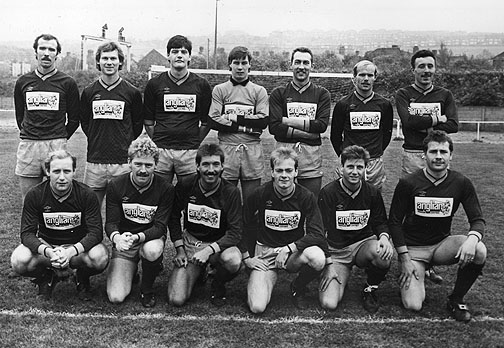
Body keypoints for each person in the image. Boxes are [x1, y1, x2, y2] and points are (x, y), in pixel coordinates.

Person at [388, 130, 487, 322]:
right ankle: (421, 269)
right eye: (433, 152)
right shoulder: (408, 183)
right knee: (413, 305)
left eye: (443, 152)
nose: (439, 157)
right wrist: (404, 258)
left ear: (451, 155)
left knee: (479, 250)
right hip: (414, 249)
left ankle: (456, 299)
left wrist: (472, 240)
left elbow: (477, 219)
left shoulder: (461, 182)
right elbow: (394, 222)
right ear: (424, 155)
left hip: (442, 245)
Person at [396, 49, 459, 284]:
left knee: (436, 206)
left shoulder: (445, 94)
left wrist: (427, 124)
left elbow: (453, 125)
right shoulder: (404, 93)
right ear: (413, 70)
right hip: (412, 154)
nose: (426, 71)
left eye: (430, 66)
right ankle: (410, 257)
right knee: (412, 207)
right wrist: (437, 119)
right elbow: (408, 122)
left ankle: (430, 263)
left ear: (435, 69)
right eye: (421, 66)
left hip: (437, 154)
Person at [10, 150, 108, 300]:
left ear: (74, 171)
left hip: (77, 248)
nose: (62, 177)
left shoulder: (86, 194)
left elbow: (96, 233)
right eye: (56, 171)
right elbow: (27, 233)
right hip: (48, 247)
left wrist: (71, 252)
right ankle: (46, 276)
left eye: (67, 171)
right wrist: (48, 252)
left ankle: (81, 276)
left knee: (99, 257)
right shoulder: (35, 194)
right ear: (48, 171)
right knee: (19, 260)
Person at [242, 147, 327, 314]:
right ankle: (260, 277)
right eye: (279, 170)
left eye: (289, 170)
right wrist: (247, 258)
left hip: (292, 254)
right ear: (272, 172)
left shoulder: (306, 196)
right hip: (265, 252)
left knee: (317, 258)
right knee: (257, 307)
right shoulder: (260, 194)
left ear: (296, 172)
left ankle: (298, 286)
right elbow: (241, 224)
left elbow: (317, 233)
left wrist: (289, 248)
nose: (284, 175)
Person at [207, 45, 269, 254]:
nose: (240, 67)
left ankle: (249, 248)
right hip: (227, 148)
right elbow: (214, 119)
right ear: (229, 65)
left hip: (252, 150)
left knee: (252, 204)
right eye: (236, 63)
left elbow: (262, 122)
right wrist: (244, 126)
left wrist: (233, 118)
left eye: (244, 63)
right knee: (224, 202)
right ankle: (222, 249)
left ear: (250, 65)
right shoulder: (220, 90)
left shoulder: (258, 91)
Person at [318, 145, 393, 313]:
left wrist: (384, 237)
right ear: (341, 168)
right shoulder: (328, 193)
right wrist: (328, 263)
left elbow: (380, 221)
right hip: (337, 251)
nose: (354, 171)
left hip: (363, 246)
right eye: (350, 166)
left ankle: (370, 287)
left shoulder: (372, 192)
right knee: (329, 303)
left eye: (359, 167)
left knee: (383, 253)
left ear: (365, 169)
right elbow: (319, 231)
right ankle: (339, 274)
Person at [167, 144, 242, 307]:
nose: (211, 170)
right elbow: (173, 216)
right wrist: (180, 250)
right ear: (197, 166)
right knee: (176, 298)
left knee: (234, 260)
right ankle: (199, 271)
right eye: (206, 164)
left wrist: (208, 251)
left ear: (222, 167)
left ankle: (218, 283)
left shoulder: (231, 192)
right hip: (192, 243)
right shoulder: (185, 185)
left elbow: (236, 233)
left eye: (216, 164)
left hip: (218, 246)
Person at [105, 136, 174, 308]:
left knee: (152, 250)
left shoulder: (165, 188)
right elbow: (111, 223)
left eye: (148, 165)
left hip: (148, 238)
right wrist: (117, 238)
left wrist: (137, 237)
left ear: (156, 165)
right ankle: (131, 269)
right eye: (138, 164)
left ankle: (147, 288)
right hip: (125, 240)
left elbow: (159, 227)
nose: (143, 170)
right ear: (129, 162)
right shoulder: (115, 185)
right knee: (116, 296)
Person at [14, 34, 80, 201]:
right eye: (42, 48)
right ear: (36, 52)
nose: (46, 53)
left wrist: (60, 136)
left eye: (51, 49)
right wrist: (30, 133)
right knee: (29, 199)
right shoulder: (23, 81)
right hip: (29, 145)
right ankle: (31, 229)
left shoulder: (67, 82)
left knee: (59, 197)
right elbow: (20, 115)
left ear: (57, 54)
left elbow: (74, 119)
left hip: (56, 144)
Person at [79, 41, 143, 207]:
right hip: (95, 161)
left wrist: (123, 140)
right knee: (90, 211)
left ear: (120, 62)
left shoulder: (132, 92)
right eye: (105, 58)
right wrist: (98, 137)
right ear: (98, 62)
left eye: (113, 58)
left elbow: (137, 125)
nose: (109, 62)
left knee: (125, 212)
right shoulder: (89, 92)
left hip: (122, 162)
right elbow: (86, 124)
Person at [143, 34, 212, 186]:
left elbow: (207, 123)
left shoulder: (201, 85)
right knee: (159, 195)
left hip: (189, 152)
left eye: (184, 52)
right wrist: (160, 140)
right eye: (175, 51)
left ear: (189, 57)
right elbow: (148, 122)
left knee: (189, 197)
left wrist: (193, 141)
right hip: (161, 151)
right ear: (168, 56)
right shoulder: (154, 84)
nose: (179, 55)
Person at [269, 47, 331, 198]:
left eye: (305, 62)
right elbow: (275, 127)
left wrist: (287, 121)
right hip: (283, 158)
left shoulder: (322, 94)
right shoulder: (279, 93)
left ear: (312, 66)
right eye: (297, 62)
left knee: (310, 205)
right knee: (283, 205)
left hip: (311, 161)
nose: (301, 66)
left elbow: (321, 126)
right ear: (291, 65)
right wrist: (310, 135)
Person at [331, 60, 393, 190]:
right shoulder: (343, 104)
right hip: (350, 161)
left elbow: (387, 134)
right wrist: (345, 155)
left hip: (374, 162)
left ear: (375, 78)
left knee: (373, 201)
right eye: (362, 75)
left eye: (370, 75)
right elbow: (335, 136)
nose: (366, 79)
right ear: (354, 78)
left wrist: (376, 151)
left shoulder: (384, 105)